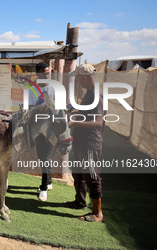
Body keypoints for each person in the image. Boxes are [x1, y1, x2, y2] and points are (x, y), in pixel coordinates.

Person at [64, 63, 105, 223]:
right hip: (81, 141)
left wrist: (73, 123)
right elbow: (87, 112)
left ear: (85, 77)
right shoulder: (90, 93)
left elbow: (97, 123)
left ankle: (98, 213)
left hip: (90, 142)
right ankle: (80, 202)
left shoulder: (97, 95)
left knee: (92, 176)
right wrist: (74, 110)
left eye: (78, 78)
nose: (78, 81)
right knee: (79, 174)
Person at [29, 62, 54, 201]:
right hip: (38, 130)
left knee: (46, 158)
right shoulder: (32, 90)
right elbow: (29, 107)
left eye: (48, 72)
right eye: (44, 73)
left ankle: (43, 188)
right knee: (42, 158)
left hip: (52, 130)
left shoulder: (55, 89)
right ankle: (49, 182)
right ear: (38, 74)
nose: (47, 75)